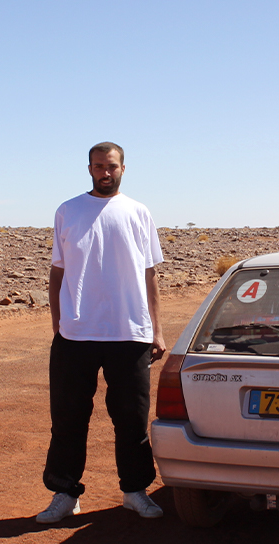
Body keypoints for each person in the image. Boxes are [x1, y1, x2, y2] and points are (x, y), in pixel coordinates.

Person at [36, 142, 167, 523]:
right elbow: (57, 272)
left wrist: (157, 331)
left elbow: (150, 276)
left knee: (132, 418)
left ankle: (135, 491)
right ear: (89, 168)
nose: (104, 172)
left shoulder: (138, 213)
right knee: (68, 417)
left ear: (123, 167)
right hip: (76, 335)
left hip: (129, 333)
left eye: (110, 166)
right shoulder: (68, 210)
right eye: (97, 166)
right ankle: (65, 493)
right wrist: (59, 325)